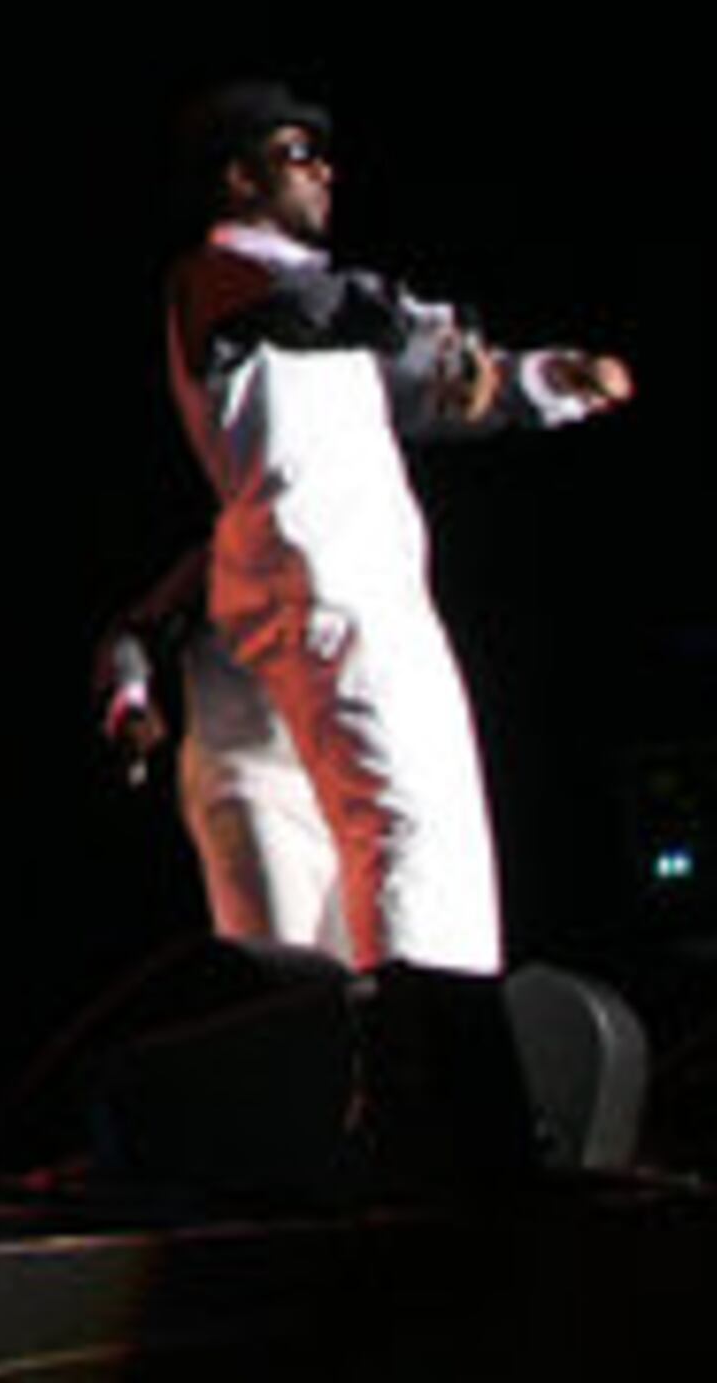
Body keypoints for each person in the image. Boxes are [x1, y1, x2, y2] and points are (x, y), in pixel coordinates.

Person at [155, 80, 634, 974]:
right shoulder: (221, 277)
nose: (326, 171)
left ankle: (353, 1074)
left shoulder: (310, 307)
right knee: (416, 830)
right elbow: (326, 310)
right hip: (336, 595)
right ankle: (437, 1073)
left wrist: (544, 382)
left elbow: (429, 391)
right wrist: (431, 330)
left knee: (333, 894)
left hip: (313, 607)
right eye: (299, 154)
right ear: (238, 181)